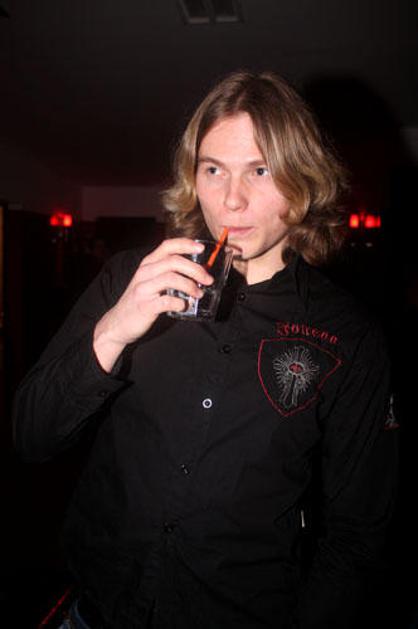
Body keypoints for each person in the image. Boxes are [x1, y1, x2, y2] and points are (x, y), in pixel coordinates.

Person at [13, 71, 398, 629]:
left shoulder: (350, 335)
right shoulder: (128, 278)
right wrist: (114, 329)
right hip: (94, 612)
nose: (231, 200)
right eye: (213, 169)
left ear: (303, 178)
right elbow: (30, 435)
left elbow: (357, 534)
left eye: (260, 171)